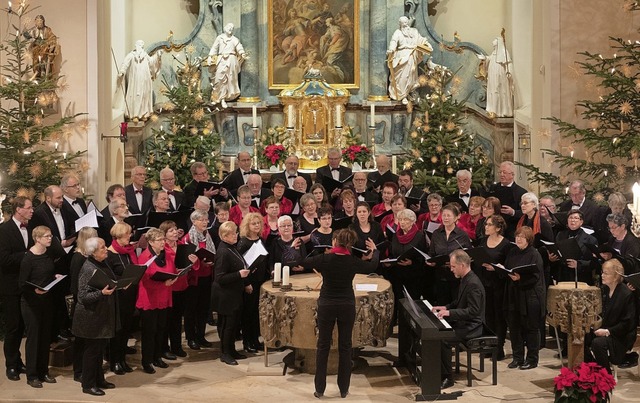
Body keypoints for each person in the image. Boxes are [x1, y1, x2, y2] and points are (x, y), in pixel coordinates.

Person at [298, 228, 379, 398]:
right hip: (346, 305)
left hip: (327, 304)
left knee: (323, 346)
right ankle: (343, 389)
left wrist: (294, 248)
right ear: (350, 244)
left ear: (335, 242)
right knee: (345, 346)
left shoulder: (325, 259)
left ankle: (319, 389)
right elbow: (372, 265)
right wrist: (375, 251)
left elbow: (304, 262)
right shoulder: (352, 261)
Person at [432, 249, 485, 389]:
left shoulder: (473, 284)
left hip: (472, 327)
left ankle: (448, 378)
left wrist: (449, 313)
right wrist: (445, 307)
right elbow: (458, 301)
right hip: (464, 322)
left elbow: (473, 311)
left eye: (453, 266)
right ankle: (439, 371)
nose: (451, 269)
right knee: (436, 330)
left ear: (462, 265)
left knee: (443, 339)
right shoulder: (466, 279)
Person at [72, 237, 117, 396]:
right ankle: (88, 384)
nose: (106, 250)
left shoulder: (102, 263)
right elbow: (82, 296)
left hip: (101, 314)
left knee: (99, 350)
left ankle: (99, 379)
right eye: (103, 248)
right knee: (92, 352)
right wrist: (101, 293)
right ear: (93, 252)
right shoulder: (88, 268)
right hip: (89, 317)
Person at [19, 226, 59, 388]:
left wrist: (54, 276)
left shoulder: (47, 254)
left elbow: (47, 273)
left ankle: (43, 371)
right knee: (34, 339)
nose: (50, 238)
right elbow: (21, 283)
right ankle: (32, 375)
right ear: (37, 238)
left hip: (46, 301)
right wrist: (34, 290)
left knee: (45, 338)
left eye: (50, 236)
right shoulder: (28, 258)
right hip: (31, 303)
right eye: (46, 236)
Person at [0, 196, 33, 381]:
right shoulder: (4, 230)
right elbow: (4, 260)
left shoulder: (30, 228)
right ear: (18, 210)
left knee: (23, 326)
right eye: (28, 208)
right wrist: (27, 254)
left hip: (27, 285)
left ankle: (19, 362)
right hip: (11, 287)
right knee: (13, 327)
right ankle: (11, 364)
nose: (32, 210)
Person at [584, 259, 637, 373]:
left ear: (616, 276)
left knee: (598, 343)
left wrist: (608, 331)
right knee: (582, 335)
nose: (602, 275)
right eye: (602, 272)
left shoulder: (625, 294)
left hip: (619, 336)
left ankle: (605, 376)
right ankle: (590, 370)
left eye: (606, 273)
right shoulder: (604, 290)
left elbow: (627, 323)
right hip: (604, 329)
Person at [504, 226, 545, 370]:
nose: (519, 239)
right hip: (514, 294)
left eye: (522, 237)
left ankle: (532, 359)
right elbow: (507, 268)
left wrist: (520, 278)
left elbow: (536, 277)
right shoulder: (513, 252)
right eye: (517, 236)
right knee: (514, 328)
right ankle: (517, 358)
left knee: (531, 329)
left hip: (530, 296)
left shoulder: (534, 254)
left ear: (529, 239)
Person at [136, 228, 177, 374]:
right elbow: (144, 280)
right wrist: (163, 283)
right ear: (151, 242)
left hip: (164, 297)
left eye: (163, 239)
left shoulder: (166, 255)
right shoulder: (144, 257)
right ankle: (147, 361)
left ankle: (157, 357)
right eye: (160, 240)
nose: (163, 242)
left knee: (161, 329)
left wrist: (174, 276)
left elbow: (172, 270)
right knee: (149, 331)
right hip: (149, 298)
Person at [212, 221, 250, 365]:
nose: (236, 235)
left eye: (236, 232)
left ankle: (232, 350)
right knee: (227, 326)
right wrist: (239, 275)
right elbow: (220, 277)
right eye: (233, 233)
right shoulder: (223, 251)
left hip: (233, 293)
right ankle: (225, 353)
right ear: (224, 236)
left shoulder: (230, 247)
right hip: (225, 295)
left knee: (233, 324)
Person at [105, 222, 138, 375]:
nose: (130, 236)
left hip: (129, 295)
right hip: (116, 297)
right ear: (118, 236)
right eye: (127, 234)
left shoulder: (127, 251)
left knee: (126, 328)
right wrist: (120, 284)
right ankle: (114, 361)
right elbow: (107, 278)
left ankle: (122, 358)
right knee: (117, 330)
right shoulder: (109, 254)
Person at [160, 221, 196, 359]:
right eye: (170, 231)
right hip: (169, 288)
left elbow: (190, 264)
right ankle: (164, 348)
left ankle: (177, 346)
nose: (175, 232)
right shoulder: (163, 249)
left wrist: (193, 262)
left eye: (175, 229)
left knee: (177, 320)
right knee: (167, 320)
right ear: (164, 235)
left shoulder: (182, 246)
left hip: (182, 285)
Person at [477, 215, 511, 360]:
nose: (486, 227)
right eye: (486, 224)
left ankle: (499, 347)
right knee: (487, 315)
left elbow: (508, 267)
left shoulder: (506, 244)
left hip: (499, 284)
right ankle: (489, 345)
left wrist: (495, 268)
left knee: (499, 317)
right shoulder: (483, 241)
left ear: (498, 228)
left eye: (489, 225)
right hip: (485, 283)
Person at [181, 210, 216, 351]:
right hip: (192, 280)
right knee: (191, 309)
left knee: (203, 308)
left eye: (206, 219)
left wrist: (211, 261)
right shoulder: (187, 239)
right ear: (194, 221)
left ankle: (201, 335)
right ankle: (191, 338)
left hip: (206, 277)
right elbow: (185, 261)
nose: (205, 222)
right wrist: (201, 263)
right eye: (202, 220)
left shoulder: (207, 235)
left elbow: (212, 252)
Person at [69, 227, 99, 381]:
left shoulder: (88, 257)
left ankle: (87, 369)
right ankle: (78, 371)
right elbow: (76, 284)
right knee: (80, 339)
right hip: (81, 303)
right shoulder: (78, 258)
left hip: (88, 301)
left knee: (87, 340)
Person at [237, 213, 269, 353]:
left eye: (258, 223)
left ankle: (255, 340)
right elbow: (240, 265)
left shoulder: (260, 239)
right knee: (248, 313)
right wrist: (246, 283)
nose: (256, 225)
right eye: (253, 223)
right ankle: (247, 342)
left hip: (260, 281)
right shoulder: (243, 242)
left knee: (257, 312)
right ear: (247, 225)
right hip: (249, 282)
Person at [427, 204, 472, 305]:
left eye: (448, 215)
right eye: (444, 215)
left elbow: (468, 256)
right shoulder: (436, 233)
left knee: (456, 304)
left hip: (456, 277)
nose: (445, 218)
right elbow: (431, 253)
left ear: (456, 217)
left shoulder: (462, 235)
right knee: (441, 304)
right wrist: (430, 261)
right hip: (440, 276)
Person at [387, 16, 432, 104]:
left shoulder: (414, 31)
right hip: (402, 56)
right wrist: (391, 49)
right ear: (400, 24)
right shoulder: (398, 32)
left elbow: (421, 39)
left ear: (408, 22)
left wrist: (427, 45)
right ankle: (402, 95)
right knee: (402, 77)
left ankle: (408, 93)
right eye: (403, 23)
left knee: (411, 75)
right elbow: (393, 41)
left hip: (412, 56)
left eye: (406, 22)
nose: (405, 24)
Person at [549, 210, 598, 285]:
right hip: (563, 276)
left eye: (576, 218)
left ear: (581, 222)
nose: (572, 220)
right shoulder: (560, 235)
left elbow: (594, 262)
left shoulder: (590, 239)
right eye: (570, 218)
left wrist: (578, 264)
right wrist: (552, 259)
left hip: (581, 277)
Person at [118, 40, 163, 120]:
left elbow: (152, 62)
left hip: (144, 80)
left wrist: (158, 55)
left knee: (144, 96)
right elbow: (125, 63)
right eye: (139, 45)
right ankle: (134, 114)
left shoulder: (145, 56)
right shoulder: (131, 55)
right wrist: (122, 71)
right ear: (136, 45)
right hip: (135, 80)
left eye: (141, 45)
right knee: (135, 95)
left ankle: (143, 114)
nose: (140, 47)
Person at [208, 23, 247, 108]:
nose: (230, 29)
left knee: (230, 79)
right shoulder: (220, 38)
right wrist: (210, 57)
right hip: (221, 60)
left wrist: (242, 53)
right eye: (229, 27)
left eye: (232, 28)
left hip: (231, 60)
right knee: (218, 79)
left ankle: (223, 99)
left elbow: (239, 47)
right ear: (225, 28)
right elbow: (214, 48)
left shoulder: (234, 39)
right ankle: (216, 98)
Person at [487, 161, 527, 239]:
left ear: (512, 175)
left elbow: (525, 213)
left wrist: (513, 212)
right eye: (500, 172)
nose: (502, 174)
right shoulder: (493, 189)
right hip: (494, 228)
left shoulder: (521, 192)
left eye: (504, 172)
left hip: (511, 229)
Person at [484, 37, 513, 117]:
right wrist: (485, 59)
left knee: (500, 90)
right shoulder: (493, 53)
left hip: (500, 74)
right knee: (493, 89)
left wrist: (509, 71)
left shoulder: (504, 52)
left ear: (498, 42)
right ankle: (493, 109)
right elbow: (489, 59)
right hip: (492, 74)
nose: (493, 41)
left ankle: (502, 110)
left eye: (495, 40)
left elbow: (508, 63)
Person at [24, 15, 58, 79]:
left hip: (45, 50)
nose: (39, 23)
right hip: (36, 50)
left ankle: (46, 79)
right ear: (35, 22)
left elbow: (53, 37)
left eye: (40, 21)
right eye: (37, 21)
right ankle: (37, 78)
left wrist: (51, 44)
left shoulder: (47, 30)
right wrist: (32, 40)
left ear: (43, 22)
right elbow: (25, 34)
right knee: (36, 65)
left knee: (45, 65)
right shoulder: (33, 30)